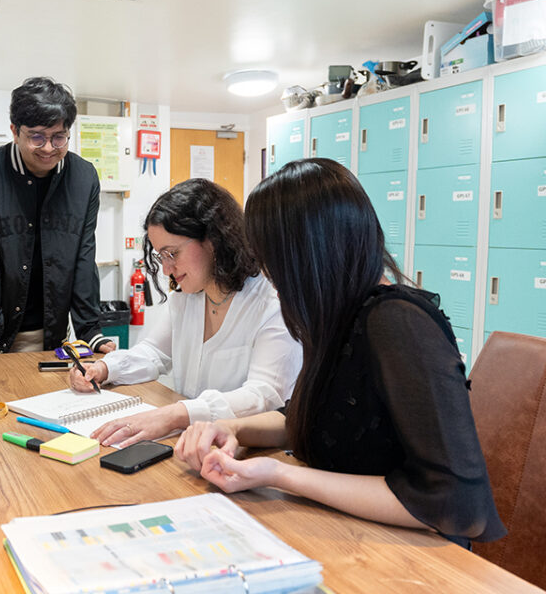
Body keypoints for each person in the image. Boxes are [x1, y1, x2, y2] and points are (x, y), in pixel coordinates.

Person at [175, 158, 504, 547]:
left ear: (307, 256)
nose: (272, 281)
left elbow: (454, 502)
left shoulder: (397, 324)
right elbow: (310, 417)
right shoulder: (337, 316)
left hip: (409, 553)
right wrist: (232, 428)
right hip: (344, 532)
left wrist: (279, 475)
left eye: (274, 264)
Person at [67, 179, 301, 447]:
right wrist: (105, 368)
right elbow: (155, 353)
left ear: (214, 239)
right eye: (160, 256)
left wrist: (177, 414)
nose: (166, 269)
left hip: (251, 453)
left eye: (172, 253)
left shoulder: (270, 305)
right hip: (194, 445)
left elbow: (265, 396)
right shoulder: (188, 297)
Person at [0, 76, 116, 356]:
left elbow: (83, 255)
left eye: (59, 137)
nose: (48, 148)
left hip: (50, 331)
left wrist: (90, 329)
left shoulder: (84, 178)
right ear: (14, 131)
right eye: (36, 136)